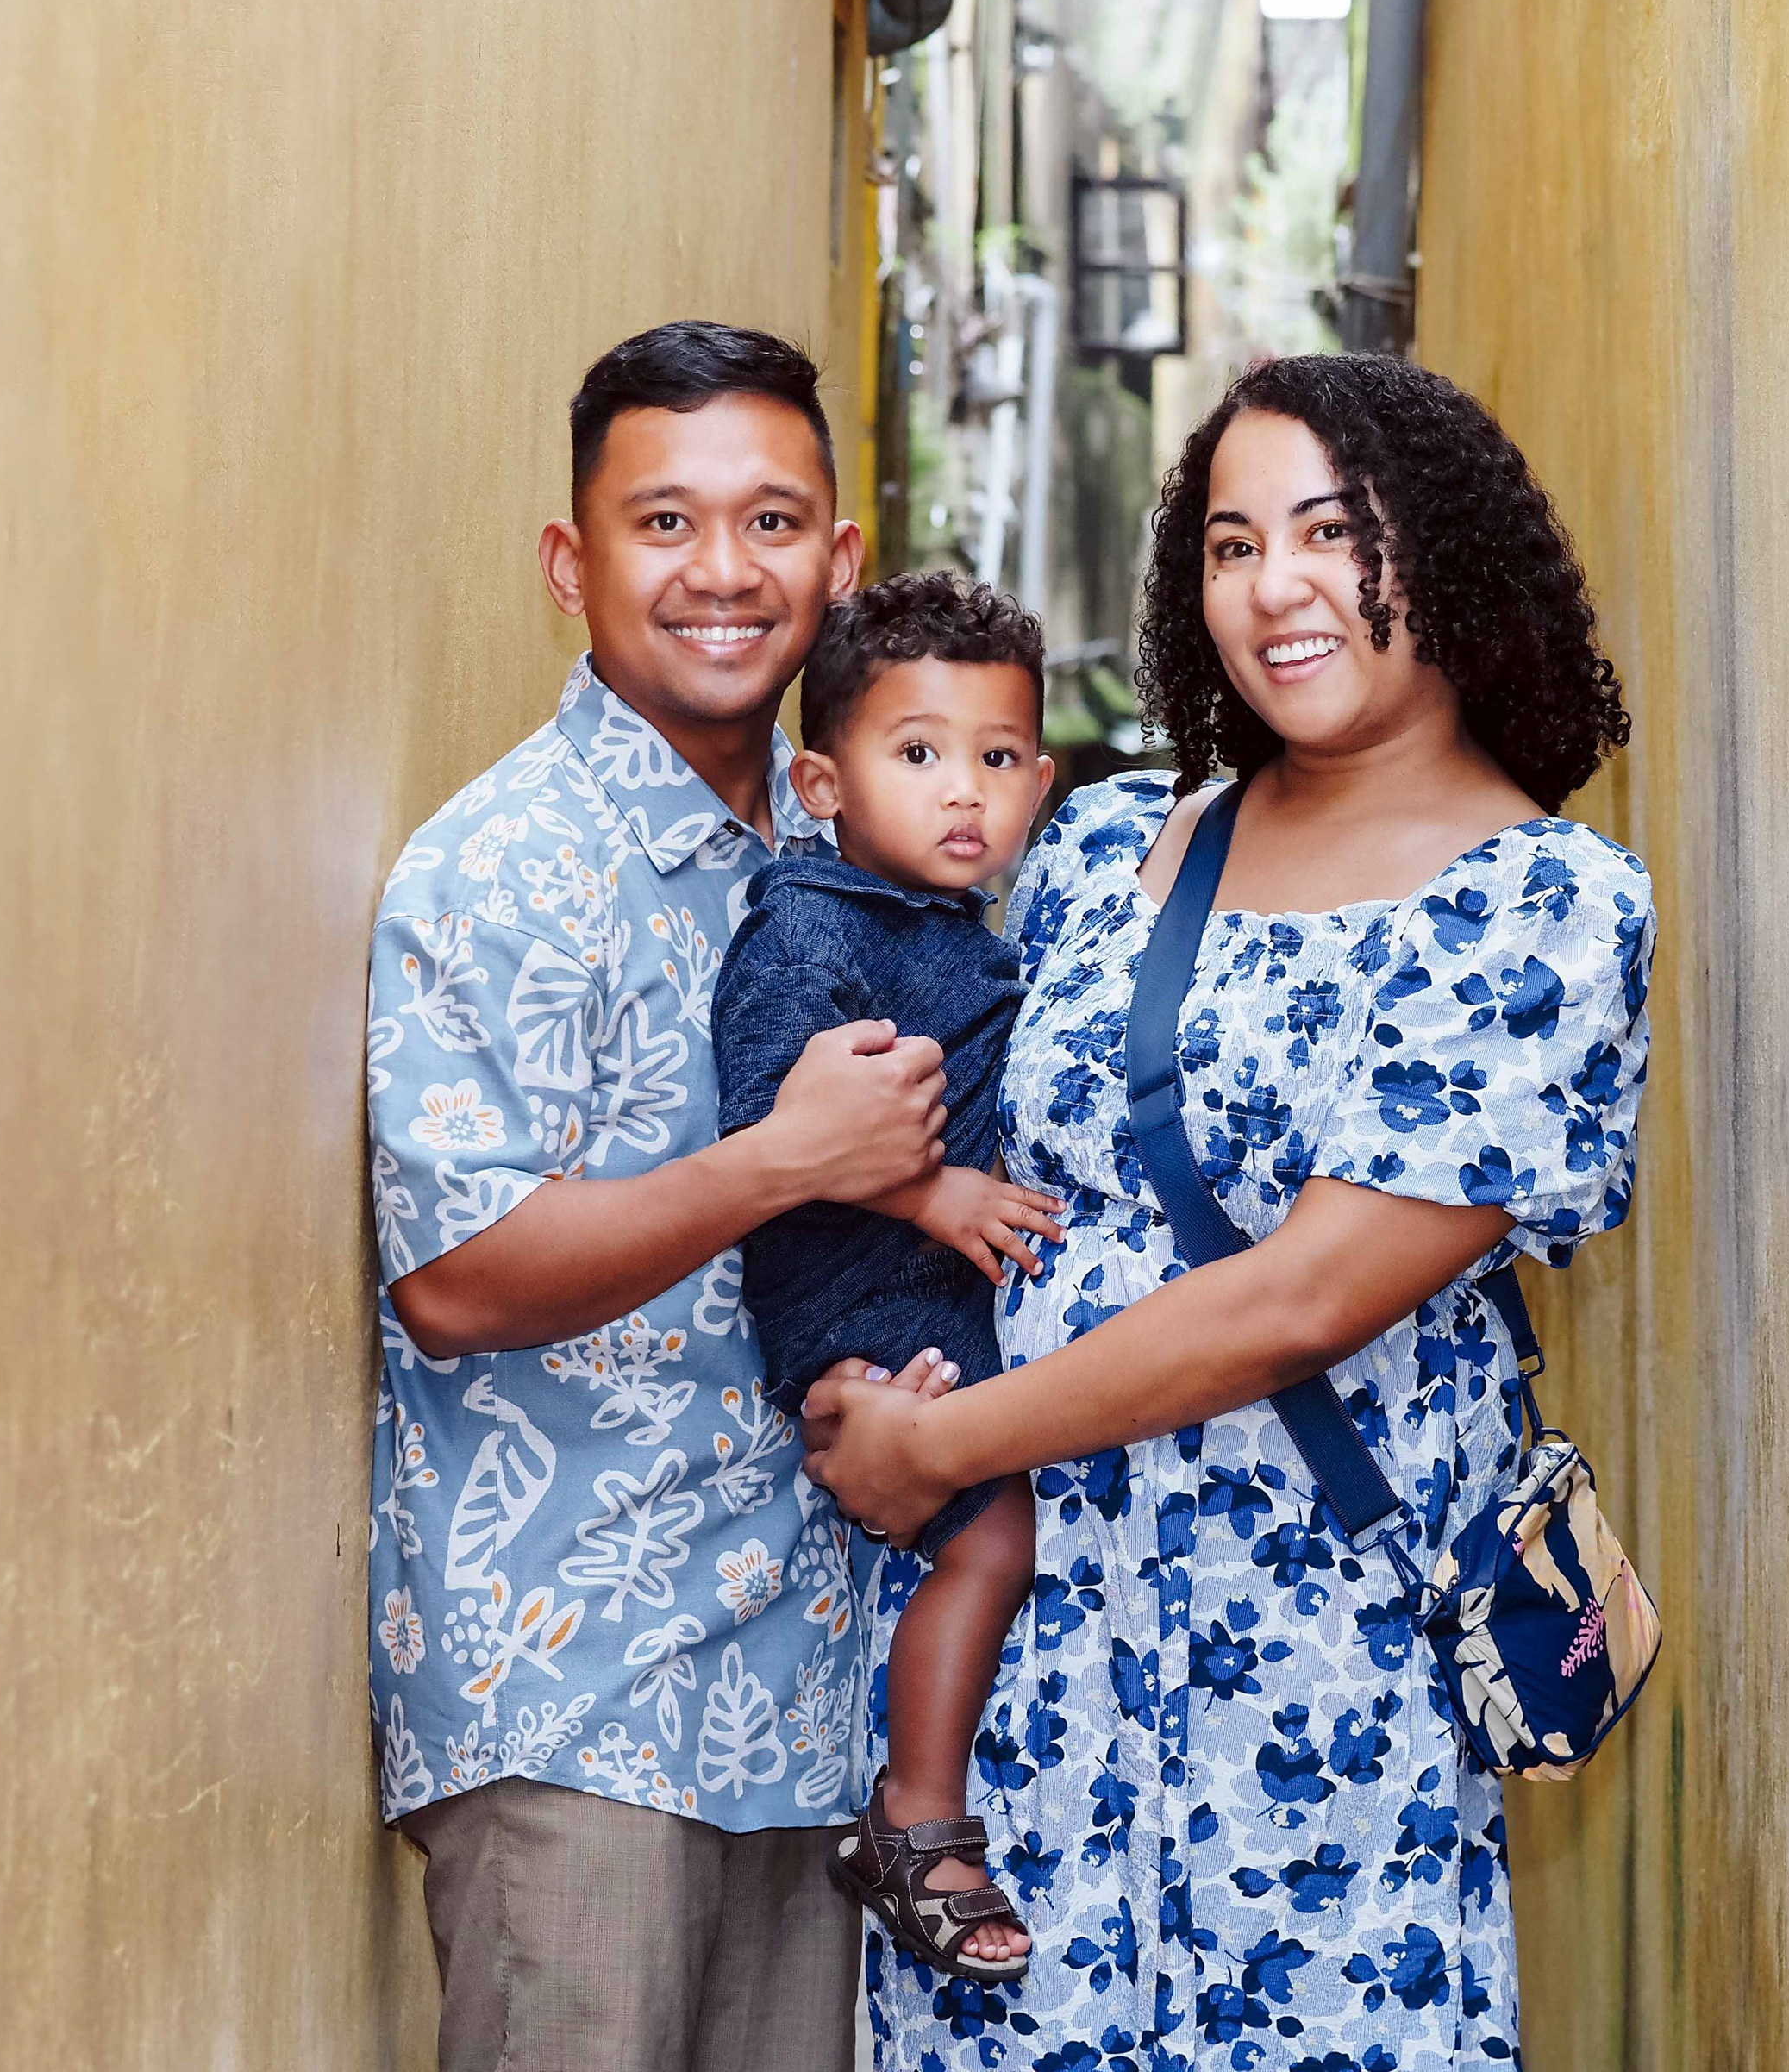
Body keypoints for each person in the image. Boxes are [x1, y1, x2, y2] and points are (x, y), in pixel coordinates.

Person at [802, 353, 1656, 2069]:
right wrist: (846, 1364)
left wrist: (950, 1441)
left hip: (1331, 1721)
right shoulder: (1105, 845)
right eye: (1231, 541)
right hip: (1026, 1709)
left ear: (1450, 554)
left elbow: (1304, 1299)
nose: (1276, 586)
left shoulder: (1545, 906)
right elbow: (871, 1023)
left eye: (1332, 534)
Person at [365, 320, 948, 2072]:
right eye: (663, 523)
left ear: (840, 563)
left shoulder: (856, 842)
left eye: (772, 523)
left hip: (811, 1684)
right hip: (580, 1700)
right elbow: (456, 1275)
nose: (722, 572)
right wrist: (784, 1158)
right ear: (574, 562)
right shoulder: (497, 869)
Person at [708, 571, 1066, 1984]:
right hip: (857, 1289)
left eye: (994, 760)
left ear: (1039, 780)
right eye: (916, 755)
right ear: (821, 781)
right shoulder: (813, 926)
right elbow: (768, 1134)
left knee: (997, 1523)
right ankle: (916, 1817)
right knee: (992, 1538)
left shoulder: (952, 923)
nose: (962, 792)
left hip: (919, 1286)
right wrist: (935, 1189)